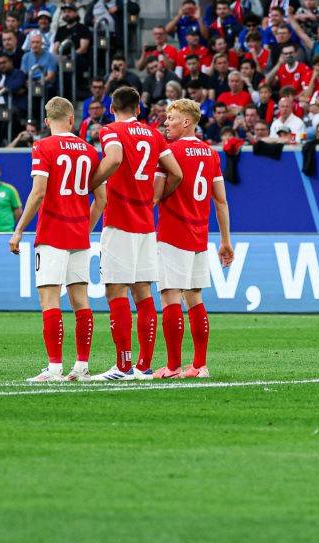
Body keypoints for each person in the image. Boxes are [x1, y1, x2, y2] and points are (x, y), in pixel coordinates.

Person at [88, 85, 183, 380]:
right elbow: (176, 173)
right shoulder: (154, 134)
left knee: (115, 290)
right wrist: (153, 198)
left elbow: (114, 158)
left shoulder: (111, 130)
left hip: (119, 222)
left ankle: (123, 365)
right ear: (139, 108)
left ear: (111, 108)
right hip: (145, 224)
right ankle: (143, 365)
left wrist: (91, 183)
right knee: (143, 292)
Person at [8, 97, 101, 383]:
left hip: (52, 233)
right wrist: (85, 230)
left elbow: (38, 192)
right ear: (72, 120)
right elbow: (102, 199)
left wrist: (19, 229)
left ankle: (54, 369)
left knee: (50, 299)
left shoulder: (43, 146)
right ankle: (82, 367)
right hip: (78, 234)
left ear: (47, 122)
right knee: (81, 301)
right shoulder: (89, 150)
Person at [154, 98, 236, 379]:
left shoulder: (168, 152)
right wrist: (225, 240)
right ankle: (199, 365)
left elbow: (156, 193)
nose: (166, 123)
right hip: (200, 236)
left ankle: (173, 366)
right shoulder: (210, 154)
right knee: (195, 298)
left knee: (170, 297)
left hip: (173, 233)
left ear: (186, 122)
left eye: (171, 118)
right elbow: (221, 201)